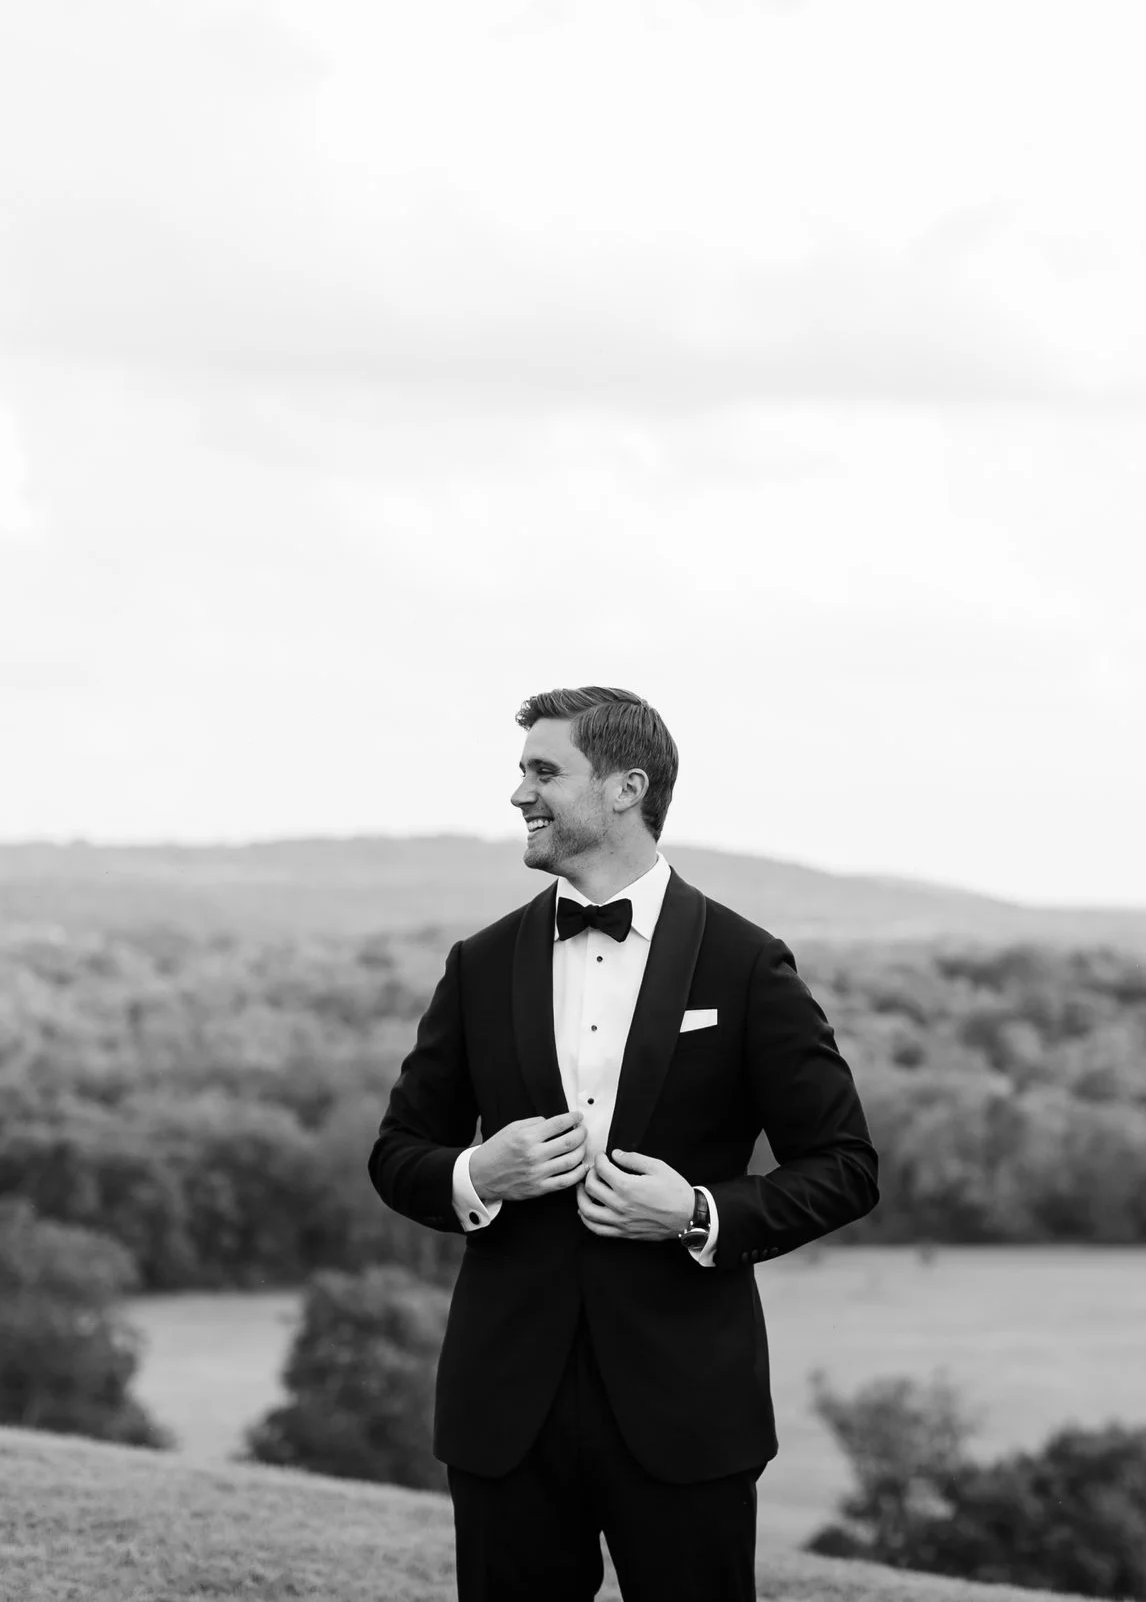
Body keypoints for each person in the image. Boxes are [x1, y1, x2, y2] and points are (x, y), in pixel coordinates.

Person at [370, 686, 881, 1602]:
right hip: (505, 1408)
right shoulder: (479, 964)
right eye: (522, 771)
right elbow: (399, 1150)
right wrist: (474, 1172)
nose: (520, 794)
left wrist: (697, 1211)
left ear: (624, 787)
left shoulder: (745, 962)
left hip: (686, 1407)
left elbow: (845, 1165)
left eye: (543, 771)